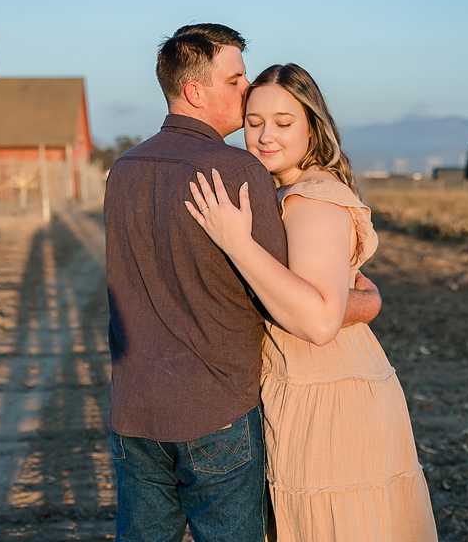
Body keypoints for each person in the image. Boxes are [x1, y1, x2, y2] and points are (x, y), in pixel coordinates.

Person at [105, 27, 382, 542]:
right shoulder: (237, 171)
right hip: (217, 409)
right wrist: (365, 301)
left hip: (135, 409)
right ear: (195, 92)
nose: (245, 86)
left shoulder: (122, 171)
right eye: (234, 80)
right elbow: (280, 298)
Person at [186, 63, 439, 541]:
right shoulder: (287, 193)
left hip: (328, 392)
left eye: (284, 123)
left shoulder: (312, 198)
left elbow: (320, 321)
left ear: (312, 126)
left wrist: (237, 243)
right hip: (308, 384)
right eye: (254, 122)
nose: (264, 136)